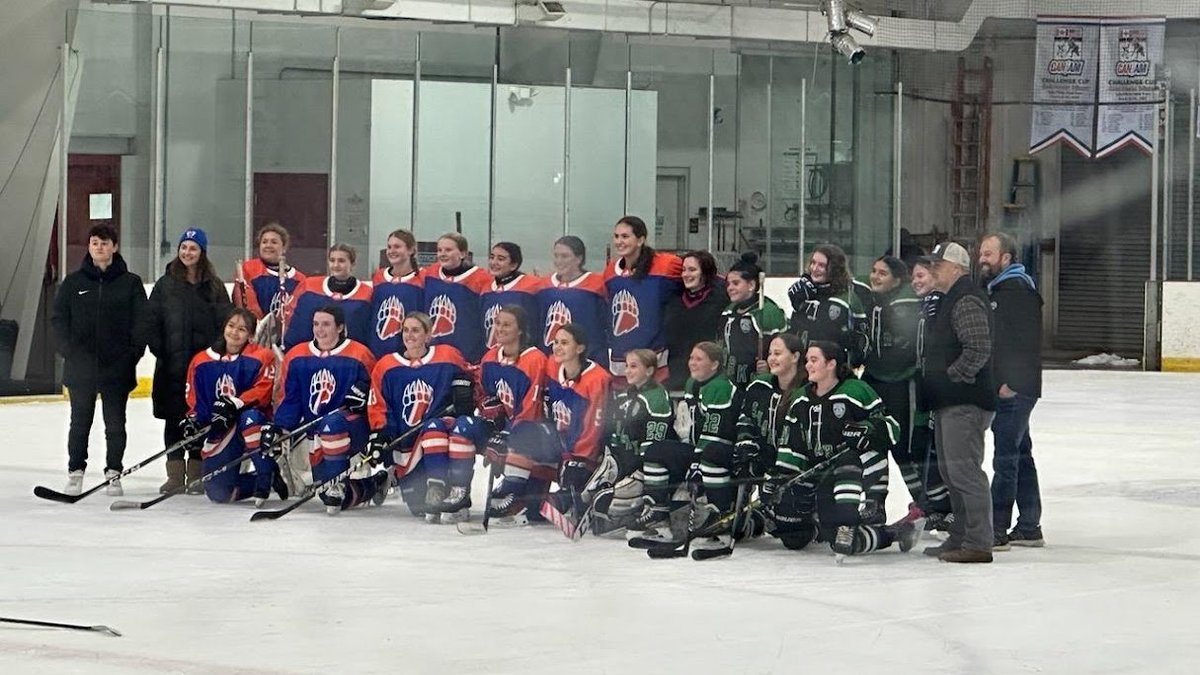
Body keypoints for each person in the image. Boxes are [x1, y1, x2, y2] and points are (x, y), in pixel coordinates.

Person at [764, 341, 916, 558]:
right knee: (795, 537)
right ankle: (893, 532)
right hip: (821, 474)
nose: (808, 365)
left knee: (847, 463)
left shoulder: (856, 390)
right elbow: (792, 445)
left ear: (831, 364)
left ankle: (849, 522)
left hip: (861, 470)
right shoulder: (801, 399)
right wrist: (781, 476)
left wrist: (868, 430)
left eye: (814, 360)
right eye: (807, 360)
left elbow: (892, 428)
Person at [51, 224, 147, 496]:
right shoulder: (73, 283)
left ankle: (113, 473)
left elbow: (142, 322)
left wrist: (132, 354)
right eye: (95, 242)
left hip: (117, 367)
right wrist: (68, 350)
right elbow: (58, 319)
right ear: (89, 246)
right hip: (80, 367)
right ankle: (76, 472)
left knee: (115, 424)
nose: (99, 247)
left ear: (114, 247)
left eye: (105, 243)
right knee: (80, 422)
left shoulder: (130, 283)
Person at [139, 228, 233, 494]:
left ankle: (196, 473)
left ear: (202, 252)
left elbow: (225, 324)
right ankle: (174, 475)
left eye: (193, 248)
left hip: (204, 371)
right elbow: (151, 321)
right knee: (174, 420)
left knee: (201, 418)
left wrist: (214, 356)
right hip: (172, 369)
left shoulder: (214, 286)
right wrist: (162, 351)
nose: (187, 252)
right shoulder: (165, 285)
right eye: (184, 247)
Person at [488, 323, 610, 523]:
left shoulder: (597, 379)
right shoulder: (552, 365)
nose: (557, 347)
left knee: (555, 503)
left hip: (585, 455)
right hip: (557, 445)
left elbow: (593, 429)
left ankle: (578, 499)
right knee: (524, 431)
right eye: (556, 342)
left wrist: (578, 459)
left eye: (564, 343)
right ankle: (513, 492)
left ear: (580, 348)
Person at [265, 304, 381, 515]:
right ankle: (375, 484)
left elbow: (375, 392)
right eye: (316, 324)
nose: (319, 329)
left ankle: (337, 484)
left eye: (326, 324)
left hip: (351, 430)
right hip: (316, 433)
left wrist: (363, 395)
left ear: (340, 327)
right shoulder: (297, 356)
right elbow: (291, 399)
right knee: (329, 496)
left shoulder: (360, 354)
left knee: (332, 424)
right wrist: (279, 427)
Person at [629, 342, 741, 558]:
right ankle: (659, 518)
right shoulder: (692, 384)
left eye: (699, 359)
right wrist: (692, 458)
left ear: (715, 364)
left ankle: (720, 522)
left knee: (711, 453)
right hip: (700, 450)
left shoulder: (721, 387)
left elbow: (716, 433)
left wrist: (696, 463)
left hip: (723, 452)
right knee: (655, 451)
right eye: (691, 358)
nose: (692, 363)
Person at [921, 242, 995, 563]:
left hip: (965, 402)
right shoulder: (952, 298)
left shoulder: (965, 299)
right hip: (951, 401)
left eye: (938, 265)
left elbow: (978, 348)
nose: (933, 270)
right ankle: (961, 536)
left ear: (956, 268)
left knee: (964, 473)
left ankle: (978, 542)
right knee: (952, 473)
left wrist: (951, 377)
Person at [862, 255, 951, 523]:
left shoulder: (913, 304)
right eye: (874, 270)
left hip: (905, 386)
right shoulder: (870, 300)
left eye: (882, 273)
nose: (875, 276)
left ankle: (934, 506)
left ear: (896, 280)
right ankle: (875, 504)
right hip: (875, 382)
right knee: (873, 443)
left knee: (906, 449)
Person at [366, 312, 475, 523]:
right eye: (405, 330)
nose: (409, 335)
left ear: (428, 335)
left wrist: (466, 389)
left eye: (415, 330)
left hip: (441, 439)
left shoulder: (448, 356)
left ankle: (455, 494)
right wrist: (379, 434)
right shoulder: (386, 366)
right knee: (418, 507)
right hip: (408, 449)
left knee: (435, 427)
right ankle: (388, 479)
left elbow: (473, 376)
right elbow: (377, 404)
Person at [441, 305, 547, 519]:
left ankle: (513, 493)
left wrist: (506, 434)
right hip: (499, 429)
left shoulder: (535, 360)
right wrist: (487, 406)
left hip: (529, 434)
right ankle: (460, 492)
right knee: (463, 426)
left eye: (506, 324)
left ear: (520, 330)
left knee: (524, 437)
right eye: (497, 323)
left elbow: (532, 409)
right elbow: (483, 395)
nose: (499, 328)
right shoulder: (490, 357)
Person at [979, 232, 1045, 549]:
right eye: (981, 253)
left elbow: (1025, 343)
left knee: (1005, 458)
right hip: (1014, 387)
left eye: (988, 254)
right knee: (1020, 454)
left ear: (1006, 258)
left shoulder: (1016, 290)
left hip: (1014, 390)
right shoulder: (1000, 288)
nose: (982, 259)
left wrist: (1011, 383)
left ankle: (997, 529)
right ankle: (1030, 526)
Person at [181, 308, 285, 505]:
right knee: (219, 493)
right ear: (224, 327)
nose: (234, 332)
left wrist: (235, 403)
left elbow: (263, 391)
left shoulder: (262, 356)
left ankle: (264, 474)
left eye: (242, 329)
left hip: (253, 421)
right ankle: (268, 478)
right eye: (231, 326)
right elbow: (196, 399)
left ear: (251, 335)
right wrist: (195, 421)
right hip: (223, 428)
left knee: (249, 418)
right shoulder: (201, 360)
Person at [589, 348, 676, 534]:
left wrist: (638, 472)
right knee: (593, 490)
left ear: (649, 370)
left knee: (615, 500)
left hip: (647, 468)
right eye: (627, 366)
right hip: (625, 464)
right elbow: (614, 434)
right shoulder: (623, 397)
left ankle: (649, 514)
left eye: (634, 366)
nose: (627, 371)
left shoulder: (657, 397)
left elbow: (655, 444)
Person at [603, 216, 683, 383]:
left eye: (625, 236)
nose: (619, 241)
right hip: (620, 361)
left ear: (640, 240)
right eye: (616, 236)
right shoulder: (610, 271)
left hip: (654, 359)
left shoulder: (667, 265)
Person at [786, 244, 867, 364]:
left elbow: (863, 340)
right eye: (813, 263)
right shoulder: (805, 293)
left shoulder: (847, 298)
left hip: (832, 368)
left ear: (834, 269)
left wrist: (854, 342)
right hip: (805, 366)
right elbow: (795, 333)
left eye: (822, 265)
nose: (814, 268)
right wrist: (798, 308)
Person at [283, 244, 373, 350]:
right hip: (311, 355)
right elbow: (292, 320)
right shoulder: (308, 286)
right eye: (332, 260)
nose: (336, 265)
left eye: (341, 261)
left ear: (352, 264)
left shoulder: (367, 294)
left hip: (348, 356)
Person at [537, 235, 609, 367]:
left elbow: (606, 324)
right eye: (556, 256)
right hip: (552, 361)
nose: (559, 261)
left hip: (588, 360)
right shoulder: (544, 286)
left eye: (565, 256)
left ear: (579, 259)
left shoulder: (596, 285)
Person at [718, 252, 786, 388]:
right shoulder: (728, 311)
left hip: (758, 383)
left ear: (751, 285)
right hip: (730, 383)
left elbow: (785, 348)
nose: (730, 288)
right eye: (728, 284)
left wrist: (770, 366)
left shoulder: (767, 311)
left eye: (736, 283)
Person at [662, 250, 729, 389]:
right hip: (677, 373)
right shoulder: (674, 299)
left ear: (705, 272)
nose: (686, 274)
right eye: (684, 270)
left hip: (708, 375)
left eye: (692, 270)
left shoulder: (721, 298)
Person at [422, 232, 492, 363]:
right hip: (434, 353)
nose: (442, 254)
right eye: (439, 250)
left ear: (463, 254)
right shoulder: (430, 273)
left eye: (448, 250)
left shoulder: (481, 279)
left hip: (467, 354)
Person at [232, 223, 306, 342]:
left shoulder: (299, 279)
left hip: (286, 339)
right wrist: (259, 329)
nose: (268, 245)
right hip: (255, 337)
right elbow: (245, 303)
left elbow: (298, 313)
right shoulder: (248, 269)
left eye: (274, 242)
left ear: (284, 247)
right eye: (264, 242)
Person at [480, 242, 546, 354]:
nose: (494, 262)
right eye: (492, 257)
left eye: (500, 259)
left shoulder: (532, 286)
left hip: (523, 355)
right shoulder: (486, 288)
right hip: (493, 356)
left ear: (513, 265)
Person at [368, 229, 424, 358]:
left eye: (397, 246)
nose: (391, 251)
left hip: (409, 349)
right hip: (378, 348)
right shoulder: (378, 276)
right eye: (389, 247)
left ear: (411, 250)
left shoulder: (423, 277)